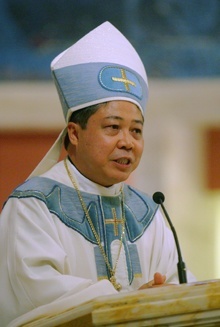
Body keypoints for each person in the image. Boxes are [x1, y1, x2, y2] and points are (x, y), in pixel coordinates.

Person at [0, 22, 196, 326]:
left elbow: (179, 287)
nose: (127, 142)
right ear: (75, 133)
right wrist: (132, 304)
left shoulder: (150, 214)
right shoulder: (33, 205)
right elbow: (33, 296)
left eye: (136, 130)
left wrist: (166, 297)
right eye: (113, 127)